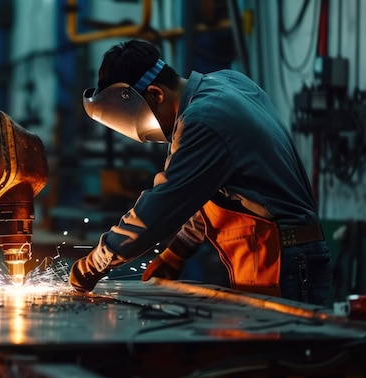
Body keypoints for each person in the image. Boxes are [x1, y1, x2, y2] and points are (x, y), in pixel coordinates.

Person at [69, 39, 333, 305]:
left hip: (285, 262)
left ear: (155, 94)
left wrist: (92, 265)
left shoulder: (201, 120)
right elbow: (205, 189)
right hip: (280, 255)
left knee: (283, 347)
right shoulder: (228, 83)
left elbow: (162, 206)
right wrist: (178, 250)